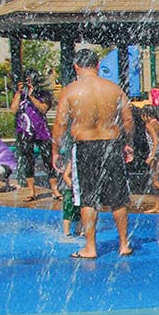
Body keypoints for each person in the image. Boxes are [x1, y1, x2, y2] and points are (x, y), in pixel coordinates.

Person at [52, 48, 136, 259]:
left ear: (76, 67)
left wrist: (56, 151)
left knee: (88, 198)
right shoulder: (114, 89)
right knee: (118, 197)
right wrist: (128, 143)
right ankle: (124, 244)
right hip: (111, 144)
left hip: (85, 146)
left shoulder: (70, 91)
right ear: (97, 66)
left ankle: (90, 247)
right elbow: (128, 120)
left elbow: (60, 123)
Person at [12, 70, 59, 202]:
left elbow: (43, 109)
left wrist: (32, 96)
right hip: (24, 131)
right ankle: (31, 191)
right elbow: (14, 109)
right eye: (26, 81)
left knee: (48, 159)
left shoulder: (43, 94)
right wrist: (18, 92)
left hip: (41, 131)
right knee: (28, 160)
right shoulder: (20, 95)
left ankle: (54, 189)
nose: (29, 83)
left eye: (31, 80)